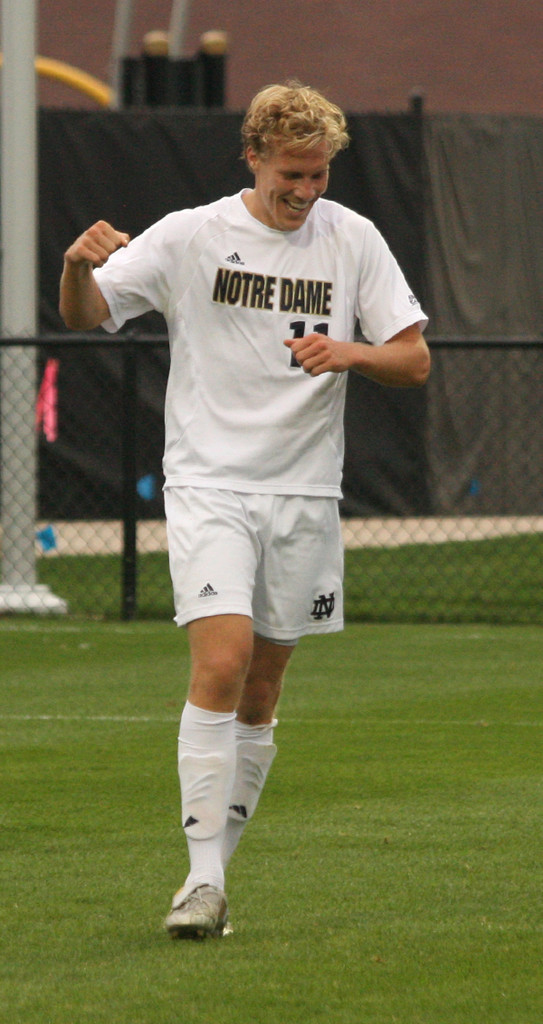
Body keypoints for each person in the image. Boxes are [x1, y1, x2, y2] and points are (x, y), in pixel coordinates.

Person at [59, 80, 430, 940]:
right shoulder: (194, 234)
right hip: (210, 484)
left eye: (319, 175)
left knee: (260, 694)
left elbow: (411, 361)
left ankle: (215, 881)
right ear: (253, 156)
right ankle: (198, 881)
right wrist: (78, 266)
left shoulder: (354, 240)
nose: (303, 192)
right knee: (221, 666)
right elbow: (88, 315)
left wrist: (348, 351)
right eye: (289, 175)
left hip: (303, 492)